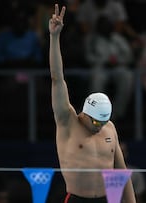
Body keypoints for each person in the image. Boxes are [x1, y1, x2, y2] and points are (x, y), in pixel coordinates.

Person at [48, 4, 136, 203]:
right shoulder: (67, 122)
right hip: (78, 199)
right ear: (85, 113)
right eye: (96, 122)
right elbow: (57, 79)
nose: (99, 127)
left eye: (103, 122)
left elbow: (122, 173)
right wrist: (54, 38)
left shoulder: (109, 128)